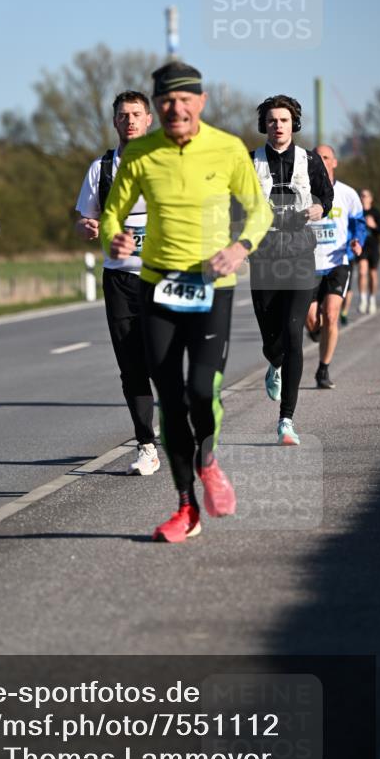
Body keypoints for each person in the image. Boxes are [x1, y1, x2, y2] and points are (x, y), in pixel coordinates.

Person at [100, 62, 272, 543]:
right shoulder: (141, 154)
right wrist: (114, 239)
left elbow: (259, 211)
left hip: (210, 286)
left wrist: (240, 248)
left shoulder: (227, 148)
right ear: (157, 107)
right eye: (166, 101)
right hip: (156, 285)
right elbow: (113, 214)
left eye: (184, 99)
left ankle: (208, 460)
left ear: (201, 101)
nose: (175, 108)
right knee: (170, 400)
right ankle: (185, 507)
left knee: (201, 389)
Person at [75, 90, 161, 475]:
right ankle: (147, 444)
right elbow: (83, 220)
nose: (129, 120)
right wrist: (89, 227)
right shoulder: (102, 168)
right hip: (120, 280)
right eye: (123, 115)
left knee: (165, 360)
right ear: (114, 122)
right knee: (132, 365)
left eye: (136, 114)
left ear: (149, 121)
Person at [248, 97, 334, 444]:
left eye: (283, 120)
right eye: (271, 121)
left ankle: (286, 420)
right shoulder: (250, 161)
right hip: (264, 257)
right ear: (264, 125)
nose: (278, 126)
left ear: (293, 124)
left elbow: (325, 198)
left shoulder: (309, 159)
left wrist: (317, 209)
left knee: (293, 330)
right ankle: (275, 361)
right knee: (272, 337)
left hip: (299, 255)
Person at [304, 145, 366, 388]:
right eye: (317, 157)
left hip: (337, 261)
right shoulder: (303, 192)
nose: (321, 161)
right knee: (311, 321)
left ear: (335, 162)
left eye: (326, 157)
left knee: (331, 315)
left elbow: (359, 224)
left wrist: (357, 242)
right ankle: (317, 334)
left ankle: (323, 369)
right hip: (307, 264)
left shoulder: (348, 193)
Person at [357, 188, 380, 314]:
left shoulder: (375, 212)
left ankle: (372, 299)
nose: (363, 197)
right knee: (362, 272)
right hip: (362, 246)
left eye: (365, 195)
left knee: (373, 274)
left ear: (370, 199)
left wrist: (373, 225)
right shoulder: (357, 212)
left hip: (373, 246)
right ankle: (363, 300)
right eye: (361, 195)